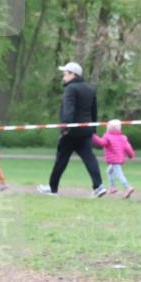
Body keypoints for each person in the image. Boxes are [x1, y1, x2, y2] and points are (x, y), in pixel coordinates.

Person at [36, 61, 105, 197]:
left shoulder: (70, 88)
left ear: (73, 74)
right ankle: (99, 186)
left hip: (71, 131)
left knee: (61, 159)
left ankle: (52, 188)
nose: (63, 77)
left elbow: (69, 108)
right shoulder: (90, 88)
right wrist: (93, 129)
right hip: (86, 130)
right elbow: (94, 111)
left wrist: (65, 127)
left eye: (65, 74)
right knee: (89, 158)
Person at [92, 119, 135, 198]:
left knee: (119, 174)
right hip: (119, 159)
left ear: (108, 128)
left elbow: (101, 143)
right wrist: (131, 155)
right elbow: (128, 147)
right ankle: (113, 187)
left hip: (114, 160)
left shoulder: (107, 136)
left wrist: (93, 136)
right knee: (109, 171)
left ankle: (127, 187)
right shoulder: (122, 137)